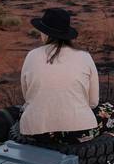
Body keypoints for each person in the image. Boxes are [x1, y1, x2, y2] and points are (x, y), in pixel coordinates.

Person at [18, 8, 100, 142]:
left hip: (34, 131)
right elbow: (93, 102)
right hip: (79, 131)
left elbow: (27, 96)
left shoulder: (31, 56)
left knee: (24, 110)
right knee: (110, 110)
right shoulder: (85, 57)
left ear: (45, 33)